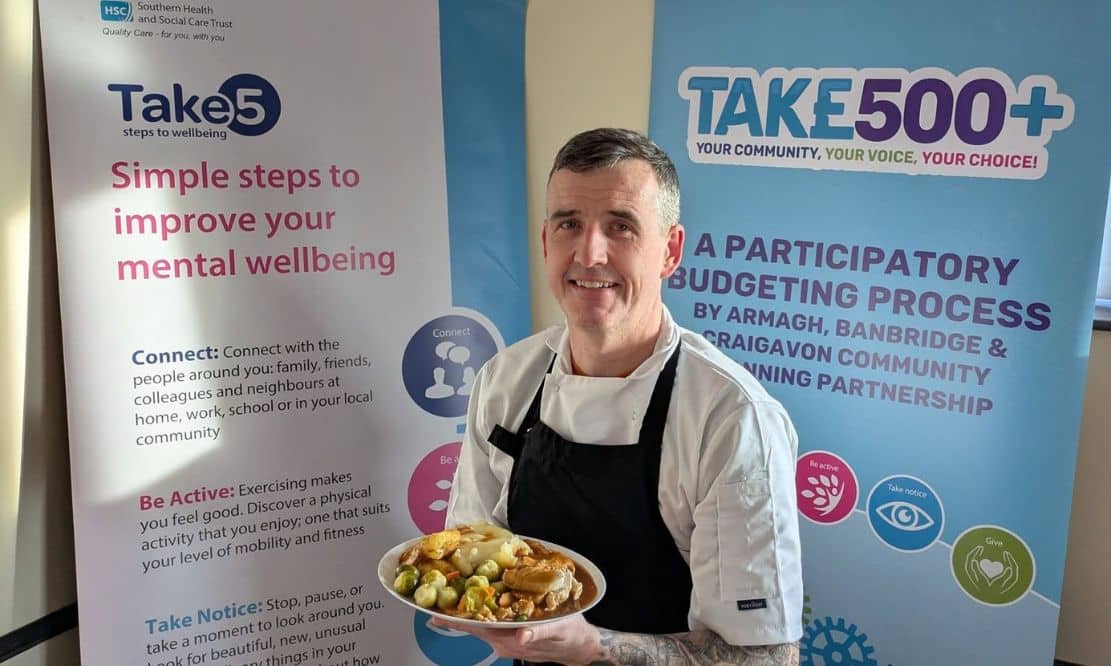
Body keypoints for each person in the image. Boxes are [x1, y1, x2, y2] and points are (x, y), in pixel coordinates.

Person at [444, 128, 802, 665]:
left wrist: (594, 648)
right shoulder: (505, 381)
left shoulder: (731, 418)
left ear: (670, 251)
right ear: (545, 243)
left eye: (621, 226)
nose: (590, 254)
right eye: (569, 224)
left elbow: (767, 657)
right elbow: (467, 552)